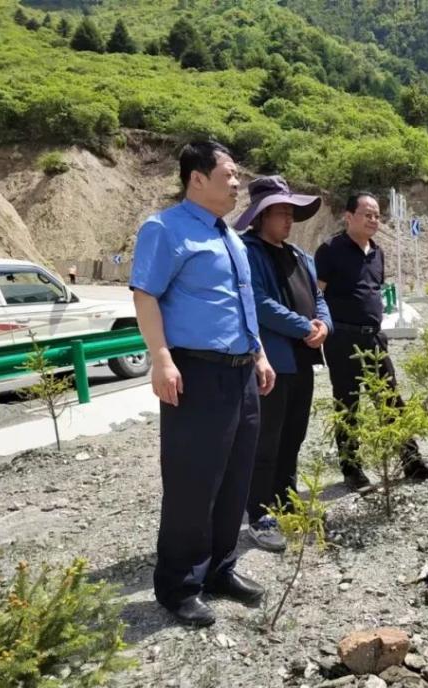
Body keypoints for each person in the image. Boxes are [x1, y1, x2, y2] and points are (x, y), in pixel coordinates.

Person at [130, 140, 276, 628]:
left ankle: (220, 569)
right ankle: (178, 585)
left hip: (241, 371)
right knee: (193, 482)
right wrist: (161, 359)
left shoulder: (230, 235)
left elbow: (241, 302)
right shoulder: (165, 229)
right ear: (197, 178)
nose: (237, 183)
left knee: (235, 477)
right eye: (229, 174)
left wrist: (259, 354)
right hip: (196, 371)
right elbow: (145, 296)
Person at [315, 191, 428, 490]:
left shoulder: (378, 252)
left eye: (377, 215)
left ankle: (411, 461)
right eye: (367, 214)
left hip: (374, 337)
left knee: (391, 400)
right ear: (349, 216)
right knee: (348, 404)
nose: (374, 220)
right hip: (342, 339)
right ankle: (352, 470)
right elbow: (316, 294)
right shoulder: (330, 250)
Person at [233, 175, 331, 552]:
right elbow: (258, 302)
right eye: (281, 212)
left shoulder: (299, 256)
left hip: (303, 359)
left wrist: (324, 326)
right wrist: (305, 326)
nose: (289, 219)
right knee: (266, 441)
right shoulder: (248, 252)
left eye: (291, 212)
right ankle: (259, 513)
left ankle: (286, 500)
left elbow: (318, 299)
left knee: (293, 436)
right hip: (271, 362)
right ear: (261, 216)